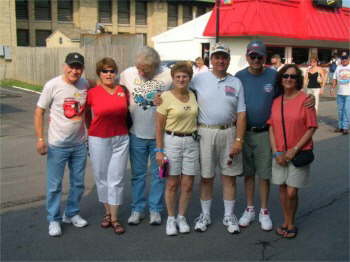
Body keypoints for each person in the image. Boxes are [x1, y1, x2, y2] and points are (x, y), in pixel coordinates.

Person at [235, 40, 315, 232]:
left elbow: (290, 91)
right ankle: (249, 208)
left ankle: (264, 211)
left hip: (264, 132)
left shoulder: (273, 75)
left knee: (264, 174)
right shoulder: (238, 76)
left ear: (265, 58)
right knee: (248, 174)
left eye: (259, 56)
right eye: (252, 56)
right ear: (247, 56)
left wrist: (309, 96)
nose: (255, 59)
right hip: (244, 132)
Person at [192, 43, 247, 234]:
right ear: (211, 60)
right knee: (206, 177)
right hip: (205, 133)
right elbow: (181, 93)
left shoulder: (236, 83)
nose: (220, 61)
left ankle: (229, 215)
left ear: (228, 60)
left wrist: (239, 140)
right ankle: (205, 215)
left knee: (229, 177)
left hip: (229, 133)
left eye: (224, 57)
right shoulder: (198, 79)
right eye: (217, 57)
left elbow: (241, 114)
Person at [34, 52, 89, 237]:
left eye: (78, 67)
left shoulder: (85, 84)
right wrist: (40, 139)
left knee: (78, 183)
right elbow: (39, 111)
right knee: (54, 186)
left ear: (82, 69)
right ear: (64, 66)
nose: (74, 70)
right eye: (71, 67)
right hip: (57, 145)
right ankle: (54, 220)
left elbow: (88, 109)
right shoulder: (52, 85)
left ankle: (71, 213)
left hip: (80, 144)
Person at [120, 47, 172, 225]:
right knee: (138, 175)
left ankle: (155, 209)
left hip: (162, 137)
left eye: (145, 69)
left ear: (156, 66)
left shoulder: (169, 75)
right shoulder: (127, 74)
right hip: (136, 134)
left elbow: (183, 93)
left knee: (160, 173)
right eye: (139, 68)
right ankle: (137, 209)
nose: (141, 72)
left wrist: (166, 99)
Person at [267, 64, 317, 239]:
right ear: (281, 79)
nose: (289, 79)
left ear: (298, 80)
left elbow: (311, 128)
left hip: (298, 153)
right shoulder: (275, 101)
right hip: (279, 154)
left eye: (293, 77)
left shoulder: (306, 100)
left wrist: (294, 150)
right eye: (286, 76)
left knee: (291, 191)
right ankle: (285, 221)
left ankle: (292, 222)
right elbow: (271, 127)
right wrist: (276, 152)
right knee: (282, 189)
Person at [85, 57, 129, 234]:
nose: (109, 74)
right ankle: (107, 213)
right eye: (105, 71)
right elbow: (86, 113)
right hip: (99, 139)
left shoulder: (122, 91)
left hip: (121, 138)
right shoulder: (92, 93)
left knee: (116, 179)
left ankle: (115, 217)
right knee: (102, 178)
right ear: (99, 74)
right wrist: (90, 129)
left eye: (112, 71)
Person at [155, 62, 199, 236]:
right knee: (172, 183)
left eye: (185, 76)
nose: (181, 79)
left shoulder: (194, 95)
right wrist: (159, 150)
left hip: (191, 142)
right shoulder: (164, 97)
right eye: (178, 76)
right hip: (171, 141)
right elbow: (158, 126)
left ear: (189, 78)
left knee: (188, 184)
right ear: (173, 78)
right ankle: (171, 218)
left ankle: (181, 217)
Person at [332, 53, 350, 135]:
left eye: (345, 59)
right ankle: (340, 127)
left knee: (347, 110)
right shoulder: (338, 67)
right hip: (340, 93)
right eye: (343, 59)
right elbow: (335, 78)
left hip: (349, 94)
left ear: (348, 59)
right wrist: (332, 88)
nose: (344, 60)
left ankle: (345, 127)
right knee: (340, 111)